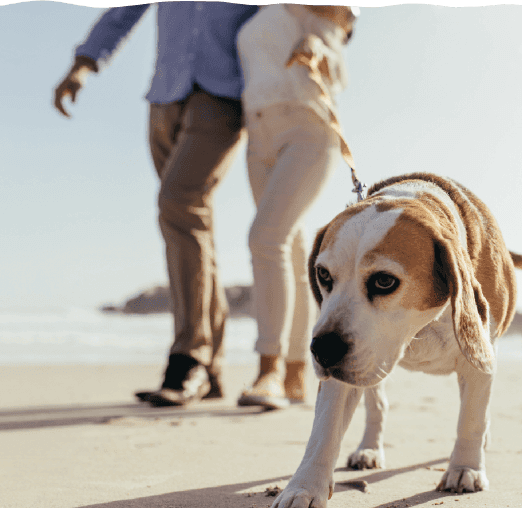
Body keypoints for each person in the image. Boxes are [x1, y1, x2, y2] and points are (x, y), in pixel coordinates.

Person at [54, 2, 260, 407]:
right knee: (187, 222)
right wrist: (84, 63)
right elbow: (123, 11)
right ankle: (211, 370)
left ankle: (189, 359)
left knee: (179, 204)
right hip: (165, 96)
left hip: (223, 95)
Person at [233, 4, 359, 409]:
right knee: (291, 248)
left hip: (306, 128)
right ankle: (293, 374)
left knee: (265, 239)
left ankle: (267, 369)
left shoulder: (321, 12)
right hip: (258, 136)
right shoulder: (262, 14)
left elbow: (337, 59)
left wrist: (318, 47)